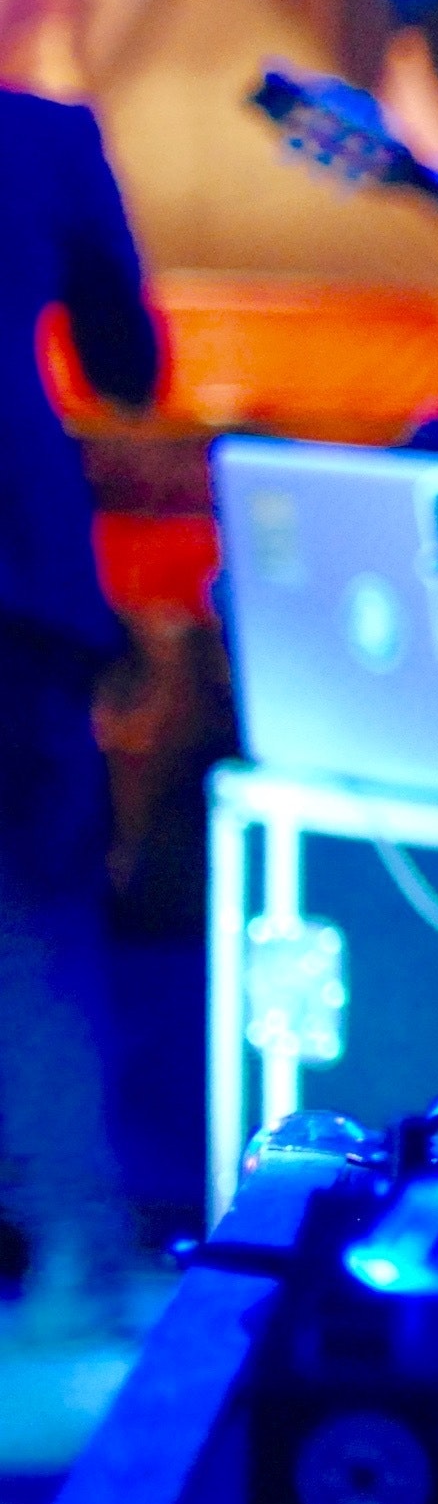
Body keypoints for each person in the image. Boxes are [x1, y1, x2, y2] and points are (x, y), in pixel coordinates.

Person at [0, 89, 159, 1338]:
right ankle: (79, 1261)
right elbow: (127, 366)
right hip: (21, 573)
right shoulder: (45, 138)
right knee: (40, 919)